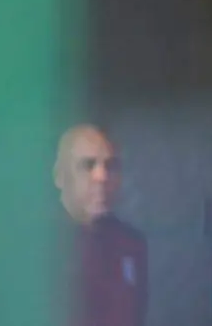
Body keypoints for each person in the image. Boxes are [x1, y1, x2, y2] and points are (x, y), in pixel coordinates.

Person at [55, 124, 148, 326]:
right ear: (60, 176)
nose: (101, 177)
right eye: (88, 165)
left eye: (110, 166)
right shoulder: (35, 247)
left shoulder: (130, 243)